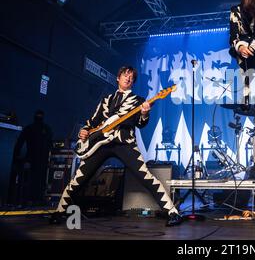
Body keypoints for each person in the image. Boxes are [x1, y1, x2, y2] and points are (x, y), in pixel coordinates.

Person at [50, 66, 182, 226]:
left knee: (145, 176)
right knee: (80, 178)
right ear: (118, 78)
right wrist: (84, 131)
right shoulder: (106, 100)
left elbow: (141, 124)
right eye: (126, 75)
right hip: (99, 144)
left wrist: (145, 113)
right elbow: (92, 121)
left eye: (132, 77)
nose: (128, 78)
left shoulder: (138, 101)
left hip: (124, 143)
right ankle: (59, 211)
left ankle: (172, 212)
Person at [11, 110, 53, 206]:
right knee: (37, 180)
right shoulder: (44, 129)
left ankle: (33, 199)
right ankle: (34, 199)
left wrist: (17, 156)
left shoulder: (33, 128)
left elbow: (20, 143)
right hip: (37, 159)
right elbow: (50, 144)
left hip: (36, 159)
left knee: (36, 179)